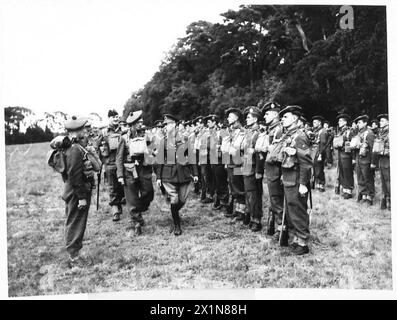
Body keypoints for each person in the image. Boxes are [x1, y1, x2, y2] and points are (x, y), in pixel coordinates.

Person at [155, 114, 199, 235]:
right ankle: (177, 225)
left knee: (182, 199)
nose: (166, 127)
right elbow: (159, 159)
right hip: (168, 175)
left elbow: (191, 156)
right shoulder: (163, 141)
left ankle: (174, 212)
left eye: (168, 124)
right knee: (174, 199)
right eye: (165, 125)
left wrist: (195, 173)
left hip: (183, 173)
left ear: (174, 125)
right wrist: (158, 177)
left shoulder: (184, 139)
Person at [278, 105, 313, 255]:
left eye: (286, 117)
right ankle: (297, 240)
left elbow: (306, 162)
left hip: (297, 178)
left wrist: (304, 184)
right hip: (288, 177)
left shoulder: (299, 136)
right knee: (292, 209)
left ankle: (303, 242)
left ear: (295, 118)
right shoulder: (289, 135)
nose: (282, 119)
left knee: (298, 210)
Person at [61, 116, 94, 266]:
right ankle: (74, 257)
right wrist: (81, 197)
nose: (85, 132)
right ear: (75, 132)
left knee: (74, 220)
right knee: (76, 222)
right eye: (82, 130)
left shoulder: (73, 147)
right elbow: (74, 175)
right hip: (76, 192)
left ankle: (74, 253)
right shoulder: (75, 149)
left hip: (74, 190)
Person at [116, 110, 154, 235]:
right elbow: (119, 157)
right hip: (129, 170)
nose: (141, 124)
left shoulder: (145, 135)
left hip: (143, 168)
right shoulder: (124, 138)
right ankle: (136, 220)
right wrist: (120, 175)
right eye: (139, 122)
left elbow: (152, 150)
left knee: (148, 192)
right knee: (131, 197)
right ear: (132, 124)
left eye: (142, 122)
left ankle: (140, 209)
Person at [260, 102, 284, 239]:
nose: (265, 116)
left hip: (276, 170)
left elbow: (278, 153)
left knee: (277, 200)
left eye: (267, 113)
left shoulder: (279, 130)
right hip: (271, 169)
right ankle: (275, 226)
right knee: (273, 200)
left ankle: (282, 230)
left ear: (275, 115)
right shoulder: (272, 129)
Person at [97, 109, 125, 221]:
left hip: (122, 163)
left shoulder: (123, 130)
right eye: (113, 117)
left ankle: (120, 202)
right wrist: (99, 163)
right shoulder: (104, 132)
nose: (115, 119)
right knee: (112, 187)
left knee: (122, 186)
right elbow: (96, 147)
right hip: (109, 163)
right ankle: (115, 210)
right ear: (109, 118)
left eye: (117, 116)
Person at [240, 106, 264, 231]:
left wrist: (259, 171)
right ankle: (249, 214)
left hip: (253, 167)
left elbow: (260, 155)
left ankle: (256, 219)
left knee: (254, 194)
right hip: (246, 165)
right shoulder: (248, 132)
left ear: (255, 119)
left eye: (248, 117)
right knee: (248, 193)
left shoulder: (258, 133)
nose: (246, 120)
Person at [222, 108, 246, 219]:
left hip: (238, 163)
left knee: (239, 187)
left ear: (236, 118)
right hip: (231, 163)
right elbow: (225, 149)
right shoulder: (229, 131)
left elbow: (240, 148)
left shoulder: (242, 131)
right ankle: (237, 210)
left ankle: (242, 211)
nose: (228, 118)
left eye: (230, 116)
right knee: (232, 186)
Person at [204, 114, 229, 210]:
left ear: (215, 122)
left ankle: (224, 202)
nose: (207, 124)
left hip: (220, 160)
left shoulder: (222, 132)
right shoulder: (210, 133)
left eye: (209, 122)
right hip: (213, 159)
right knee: (215, 181)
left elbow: (225, 147)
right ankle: (218, 200)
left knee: (221, 181)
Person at [351, 115, 375, 205]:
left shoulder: (369, 133)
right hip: (358, 159)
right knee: (360, 178)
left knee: (368, 178)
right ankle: (363, 194)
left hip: (366, 159)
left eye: (360, 122)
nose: (358, 124)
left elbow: (373, 149)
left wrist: (373, 162)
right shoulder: (358, 133)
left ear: (365, 123)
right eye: (357, 123)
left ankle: (370, 197)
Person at [333, 113, 355, 199]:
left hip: (346, 154)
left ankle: (348, 190)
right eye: (339, 121)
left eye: (341, 120)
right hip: (340, 153)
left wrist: (352, 158)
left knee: (347, 172)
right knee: (341, 171)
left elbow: (351, 144)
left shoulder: (349, 131)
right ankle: (344, 188)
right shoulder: (340, 131)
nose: (339, 122)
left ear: (345, 122)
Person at [371, 114, 390, 210]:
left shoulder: (390, 132)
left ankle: (390, 201)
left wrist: (382, 151)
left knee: (389, 181)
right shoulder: (380, 132)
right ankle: (385, 200)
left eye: (382, 121)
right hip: (381, 160)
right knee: (383, 181)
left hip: (388, 160)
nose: (380, 122)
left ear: (388, 122)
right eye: (380, 121)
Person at [311, 115, 329, 192]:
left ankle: (321, 184)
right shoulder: (315, 130)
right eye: (313, 122)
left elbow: (323, 144)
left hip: (319, 151)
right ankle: (316, 183)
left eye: (315, 122)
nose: (313, 124)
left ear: (319, 123)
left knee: (319, 169)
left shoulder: (323, 131)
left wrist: (320, 154)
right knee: (315, 168)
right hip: (314, 151)